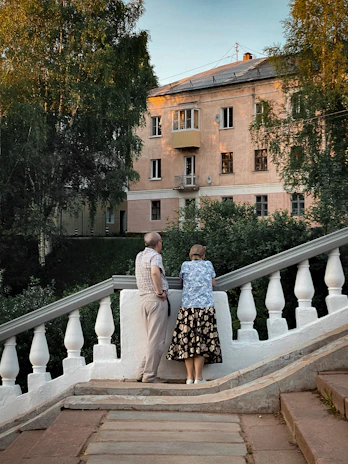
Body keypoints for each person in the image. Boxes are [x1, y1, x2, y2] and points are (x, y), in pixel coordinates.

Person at [166, 244, 222, 384]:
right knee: (201, 343)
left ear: (191, 255)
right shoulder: (208, 265)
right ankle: (199, 377)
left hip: (187, 309)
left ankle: (189, 377)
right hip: (205, 309)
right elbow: (213, 282)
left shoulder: (185, 265)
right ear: (203, 256)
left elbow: (181, 281)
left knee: (187, 342)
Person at [135, 232, 169, 383]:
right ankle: (149, 376)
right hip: (155, 300)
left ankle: (141, 372)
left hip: (143, 299)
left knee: (151, 339)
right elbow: (155, 272)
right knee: (157, 341)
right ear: (159, 243)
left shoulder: (139, 256)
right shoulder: (155, 256)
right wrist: (160, 291)